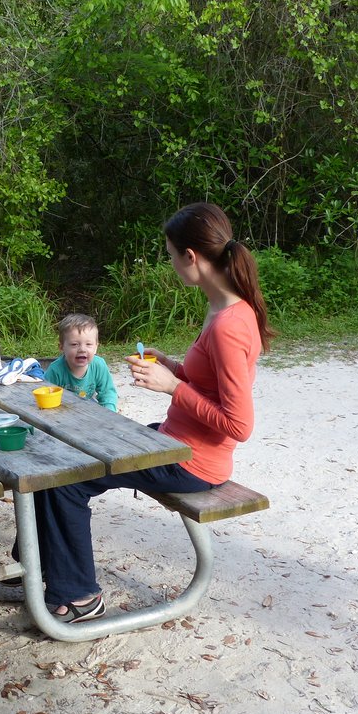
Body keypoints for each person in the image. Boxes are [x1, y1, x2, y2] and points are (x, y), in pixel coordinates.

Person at [33, 202, 273, 622]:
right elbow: (211, 382)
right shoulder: (225, 308)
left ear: (191, 257)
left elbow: (239, 424)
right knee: (69, 458)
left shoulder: (228, 324)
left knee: (64, 481)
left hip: (192, 463)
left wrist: (174, 387)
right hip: (174, 441)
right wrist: (174, 367)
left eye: (170, 255)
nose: (172, 264)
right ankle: (37, 566)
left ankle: (81, 596)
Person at [43, 313, 119, 411]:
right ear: (62, 347)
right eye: (74, 344)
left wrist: (109, 412)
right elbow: (46, 396)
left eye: (88, 344)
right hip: (62, 408)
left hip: (87, 405)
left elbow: (107, 393)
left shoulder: (98, 365)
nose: (82, 349)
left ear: (96, 347)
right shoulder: (56, 369)